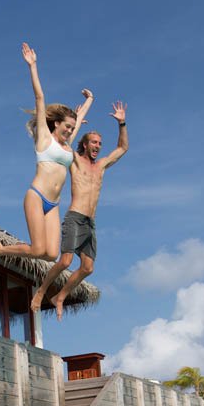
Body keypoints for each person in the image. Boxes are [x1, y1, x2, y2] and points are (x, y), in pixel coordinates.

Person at [0, 43, 92, 261]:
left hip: (53, 203)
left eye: (72, 128)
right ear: (56, 124)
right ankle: (1, 249)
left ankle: (6, 250)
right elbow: (40, 98)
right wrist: (32, 65)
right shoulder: (45, 137)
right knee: (36, 249)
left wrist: (89, 100)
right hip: (37, 196)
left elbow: (78, 121)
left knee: (51, 254)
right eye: (67, 127)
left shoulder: (67, 145)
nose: (70, 131)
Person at [30, 101, 128, 320]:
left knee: (88, 268)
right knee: (65, 261)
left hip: (90, 222)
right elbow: (66, 139)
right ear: (85, 144)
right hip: (74, 217)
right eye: (94, 142)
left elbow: (122, 148)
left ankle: (60, 297)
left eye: (100, 143)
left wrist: (122, 123)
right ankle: (42, 291)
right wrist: (76, 123)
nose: (98, 146)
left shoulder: (101, 165)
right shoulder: (74, 159)